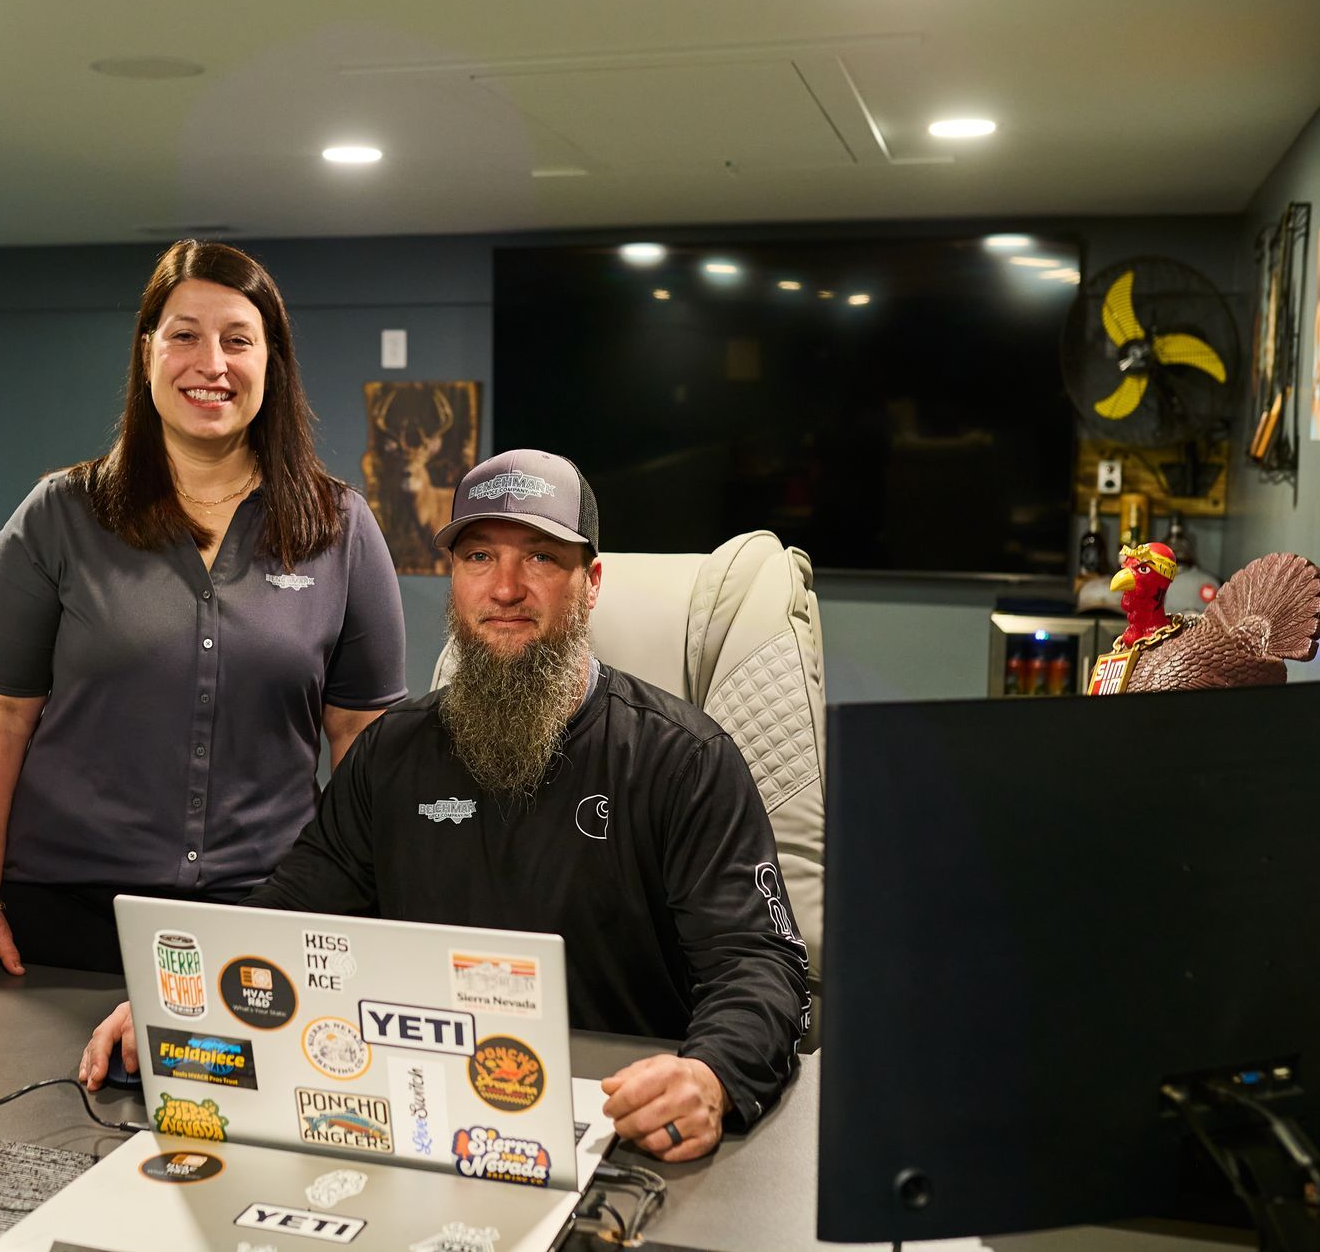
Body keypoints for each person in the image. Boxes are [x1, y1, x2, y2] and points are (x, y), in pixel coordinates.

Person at [79, 449, 810, 1163]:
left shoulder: (683, 760)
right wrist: (181, 1002)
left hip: (621, 1136)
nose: (506, 588)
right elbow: (290, 912)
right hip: (428, 1124)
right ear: (453, 578)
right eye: (479, 557)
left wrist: (710, 1073)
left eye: (541, 558)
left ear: (590, 583)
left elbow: (760, 965)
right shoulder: (392, 754)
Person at [0, 240, 407, 990]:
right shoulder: (58, 517)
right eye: (184, 335)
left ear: (273, 361)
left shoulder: (340, 527)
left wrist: (379, 905)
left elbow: (366, 740)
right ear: (146, 354)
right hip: (64, 919)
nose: (213, 363)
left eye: (238, 339)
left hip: (264, 919)